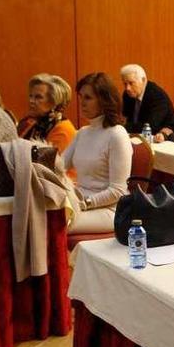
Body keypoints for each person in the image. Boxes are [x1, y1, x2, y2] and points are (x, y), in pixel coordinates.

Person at [64, 72, 132, 235]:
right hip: (82, 204)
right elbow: (58, 166)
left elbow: (118, 191)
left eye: (88, 98)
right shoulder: (82, 132)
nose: (81, 103)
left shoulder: (117, 134)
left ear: (104, 100)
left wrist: (84, 203)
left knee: (52, 225)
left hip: (110, 210)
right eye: (80, 97)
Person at [16, 73, 77, 153]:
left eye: (38, 97)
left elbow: (50, 163)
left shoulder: (63, 129)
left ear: (55, 101)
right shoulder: (29, 123)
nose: (31, 101)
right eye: (31, 96)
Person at [120, 64, 174, 134]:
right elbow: (126, 119)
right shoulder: (127, 94)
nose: (127, 88)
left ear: (143, 80)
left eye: (131, 83)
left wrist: (124, 127)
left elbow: (150, 127)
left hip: (160, 138)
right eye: (125, 84)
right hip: (136, 136)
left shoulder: (157, 95)